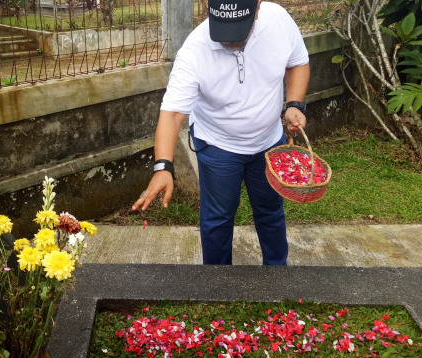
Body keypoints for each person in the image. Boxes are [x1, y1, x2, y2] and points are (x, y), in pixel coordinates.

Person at [131, 0, 310, 265]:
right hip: (218, 148)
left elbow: (298, 62)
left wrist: (294, 103)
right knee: (217, 218)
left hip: (270, 144)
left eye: (238, 28)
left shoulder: (279, 21)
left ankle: (277, 274)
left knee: (271, 212)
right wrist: (162, 167)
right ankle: (216, 282)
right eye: (224, 28)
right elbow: (172, 113)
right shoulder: (195, 49)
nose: (230, 40)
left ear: (257, 7)